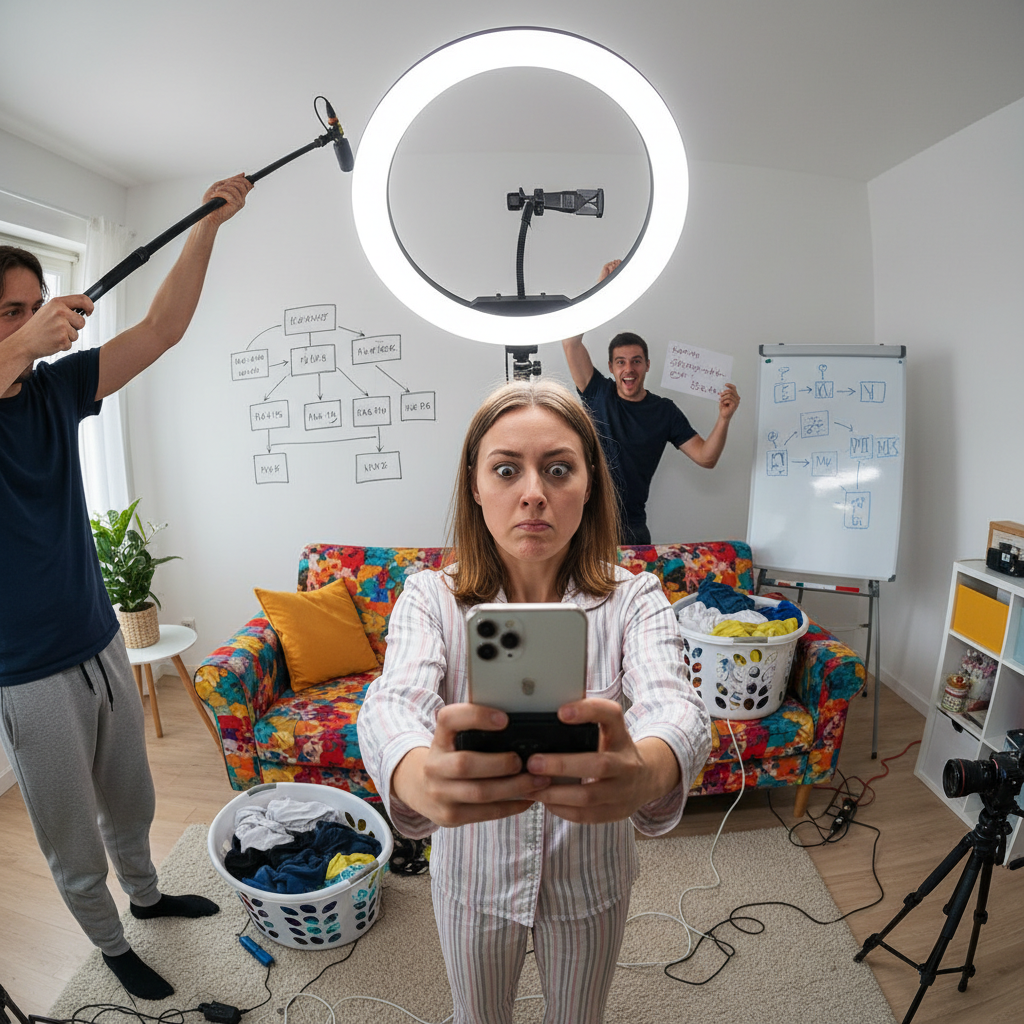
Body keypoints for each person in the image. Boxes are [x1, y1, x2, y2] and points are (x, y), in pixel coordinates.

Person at [357, 379, 711, 1024]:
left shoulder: (635, 599)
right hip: (473, 876)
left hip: (591, 878)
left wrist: (648, 770)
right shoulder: (430, 598)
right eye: (505, 470)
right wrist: (413, 771)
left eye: (558, 469)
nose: (533, 494)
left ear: (590, 483)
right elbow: (393, 700)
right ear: (474, 485)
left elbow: (675, 703)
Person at [0, 174, 251, 1000]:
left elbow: (163, 330)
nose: (30, 320)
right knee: (71, 835)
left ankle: (146, 897)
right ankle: (110, 947)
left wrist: (208, 226)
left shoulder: (55, 389)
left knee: (130, 797)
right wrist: (24, 342)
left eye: (35, 306)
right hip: (26, 672)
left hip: (100, 636)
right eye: (10, 311)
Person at [562, 259, 741, 545]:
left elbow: (706, 458)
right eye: (621, 362)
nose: (628, 369)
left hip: (632, 528)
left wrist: (724, 418)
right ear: (611, 368)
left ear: (647, 365)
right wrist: (601, 289)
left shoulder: (664, 411)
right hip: (588, 522)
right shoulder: (597, 392)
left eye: (636, 361)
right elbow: (570, 343)